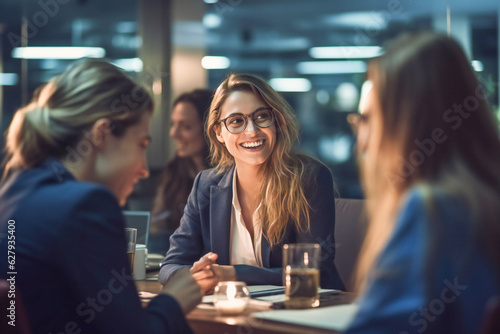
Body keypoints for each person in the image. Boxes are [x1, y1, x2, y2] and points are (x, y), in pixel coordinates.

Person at [0, 59, 201, 334]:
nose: (143, 169)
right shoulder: (84, 205)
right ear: (102, 134)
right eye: (141, 144)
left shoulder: (16, 188)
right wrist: (174, 300)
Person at [345, 32, 500, 333]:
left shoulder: (432, 210)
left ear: (405, 123)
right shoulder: (484, 199)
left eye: (368, 119)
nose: (362, 142)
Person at [159, 73, 345, 294]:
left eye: (262, 116)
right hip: (235, 313)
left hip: (305, 312)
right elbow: (170, 265)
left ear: (277, 121)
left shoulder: (309, 178)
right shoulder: (206, 184)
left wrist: (233, 273)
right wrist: (195, 275)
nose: (252, 131)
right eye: (236, 121)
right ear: (218, 132)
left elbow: (313, 269)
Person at [150, 89, 212, 254]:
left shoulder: (227, 178)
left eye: (186, 126)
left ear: (211, 130)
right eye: (173, 124)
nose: (173, 133)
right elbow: (156, 228)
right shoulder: (173, 173)